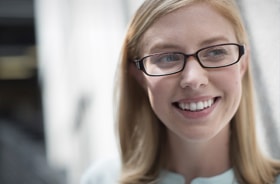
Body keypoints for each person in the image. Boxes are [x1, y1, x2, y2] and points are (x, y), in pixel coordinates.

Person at [81, 0, 280, 183]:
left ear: (243, 64)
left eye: (216, 52)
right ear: (139, 75)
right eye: (167, 58)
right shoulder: (101, 179)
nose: (193, 79)